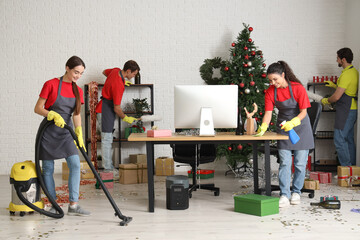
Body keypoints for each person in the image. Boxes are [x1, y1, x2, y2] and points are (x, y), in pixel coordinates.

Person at [34, 56, 90, 216]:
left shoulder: (77, 90)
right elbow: (38, 108)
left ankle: (73, 205)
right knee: (48, 169)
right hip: (48, 132)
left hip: (66, 132)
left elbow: (77, 115)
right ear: (67, 68)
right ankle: (53, 205)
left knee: (75, 165)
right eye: (76, 72)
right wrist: (52, 114)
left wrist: (79, 132)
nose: (78, 76)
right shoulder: (50, 84)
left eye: (81, 73)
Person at [255, 61, 314, 208]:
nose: (273, 83)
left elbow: (303, 112)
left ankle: (296, 192)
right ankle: (284, 194)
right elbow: (268, 113)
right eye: (270, 80)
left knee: (300, 164)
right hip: (283, 129)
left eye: (275, 79)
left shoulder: (298, 88)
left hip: (301, 128)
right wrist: (263, 127)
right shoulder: (270, 92)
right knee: (285, 163)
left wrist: (293, 123)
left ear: (283, 75)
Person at [95, 60, 140, 178]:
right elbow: (117, 109)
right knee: (106, 140)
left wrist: (116, 81)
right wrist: (126, 118)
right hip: (105, 110)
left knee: (107, 139)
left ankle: (108, 167)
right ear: (128, 71)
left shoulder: (115, 70)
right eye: (134, 74)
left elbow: (104, 72)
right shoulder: (119, 86)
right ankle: (108, 170)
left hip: (104, 107)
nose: (133, 77)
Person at [321, 48, 359, 166]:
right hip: (352, 109)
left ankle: (346, 169)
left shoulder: (346, 74)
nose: (336, 60)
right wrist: (334, 85)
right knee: (348, 140)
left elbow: (337, 97)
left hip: (346, 110)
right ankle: (352, 170)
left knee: (339, 139)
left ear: (343, 59)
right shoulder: (354, 72)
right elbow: (347, 90)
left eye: (337, 58)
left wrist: (326, 101)